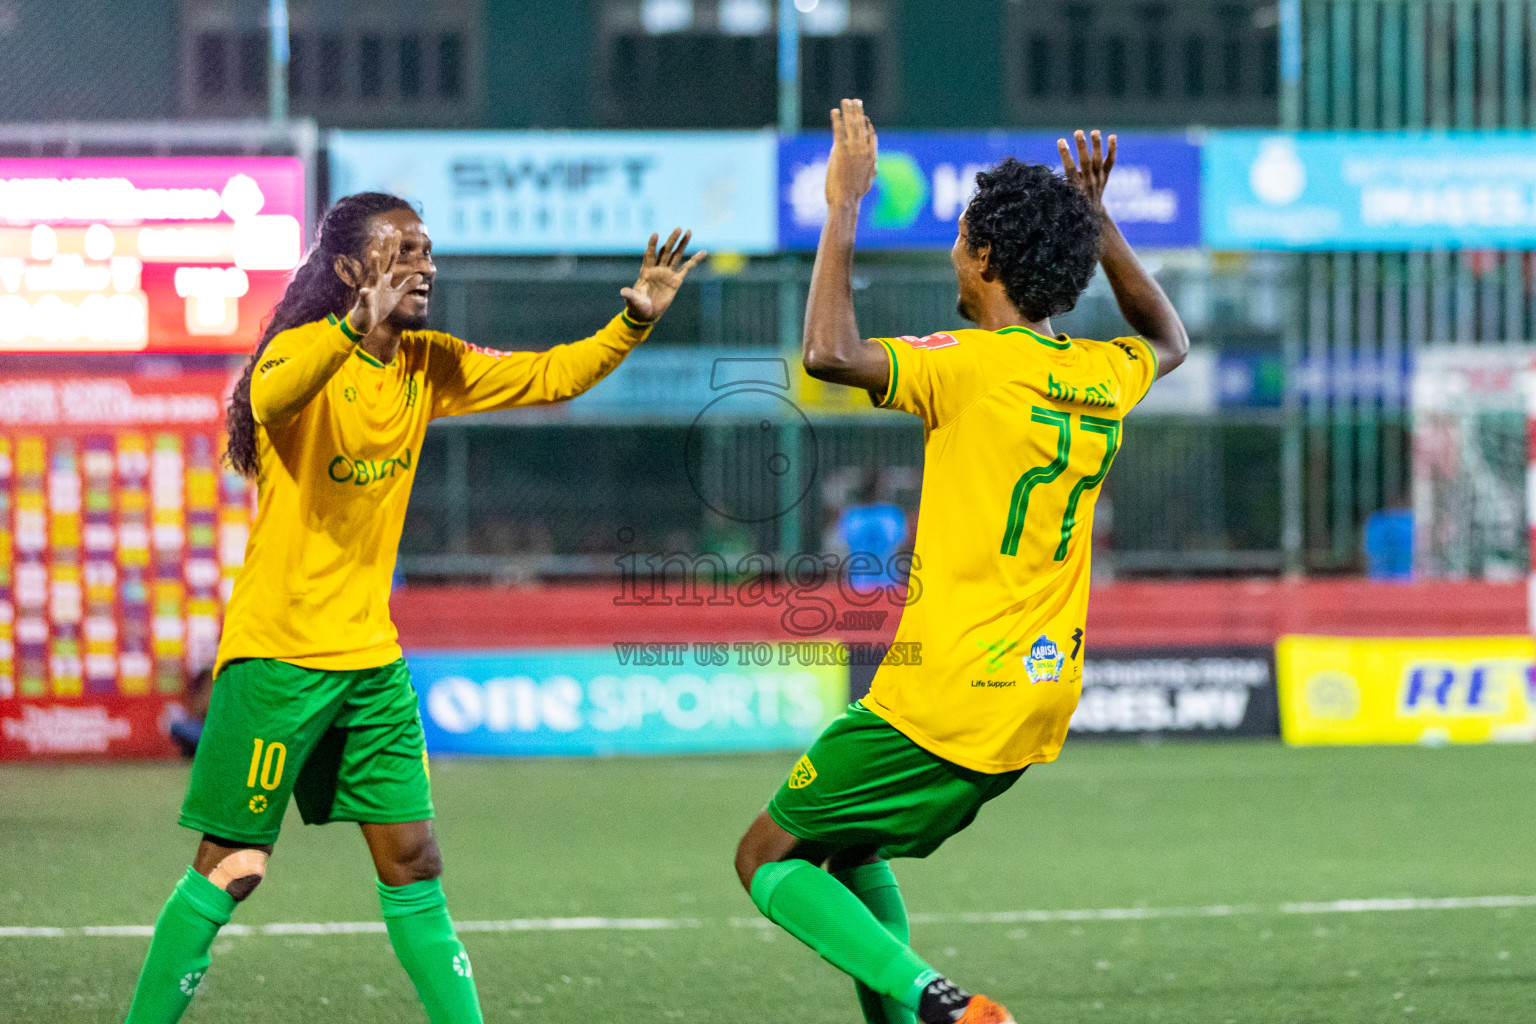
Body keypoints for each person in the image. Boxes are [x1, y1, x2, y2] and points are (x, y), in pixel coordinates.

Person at [123, 192, 704, 1024]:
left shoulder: (427, 362)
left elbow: (547, 376)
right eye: (405, 250)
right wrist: (350, 328)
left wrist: (633, 323)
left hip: (370, 662)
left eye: (429, 250)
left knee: (413, 860)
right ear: (354, 268)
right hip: (280, 656)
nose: (426, 265)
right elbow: (267, 398)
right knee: (232, 867)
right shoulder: (306, 354)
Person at [733, 101, 1188, 1024]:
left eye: (956, 236)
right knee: (853, 845)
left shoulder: (968, 364)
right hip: (1041, 693)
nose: (950, 250)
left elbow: (826, 352)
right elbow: (1171, 339)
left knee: (764, 857)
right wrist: (1100, 228)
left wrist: (844, 203)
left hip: (943, 695)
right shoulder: (1102, 375)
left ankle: (939, 1003)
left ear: (984, 258)